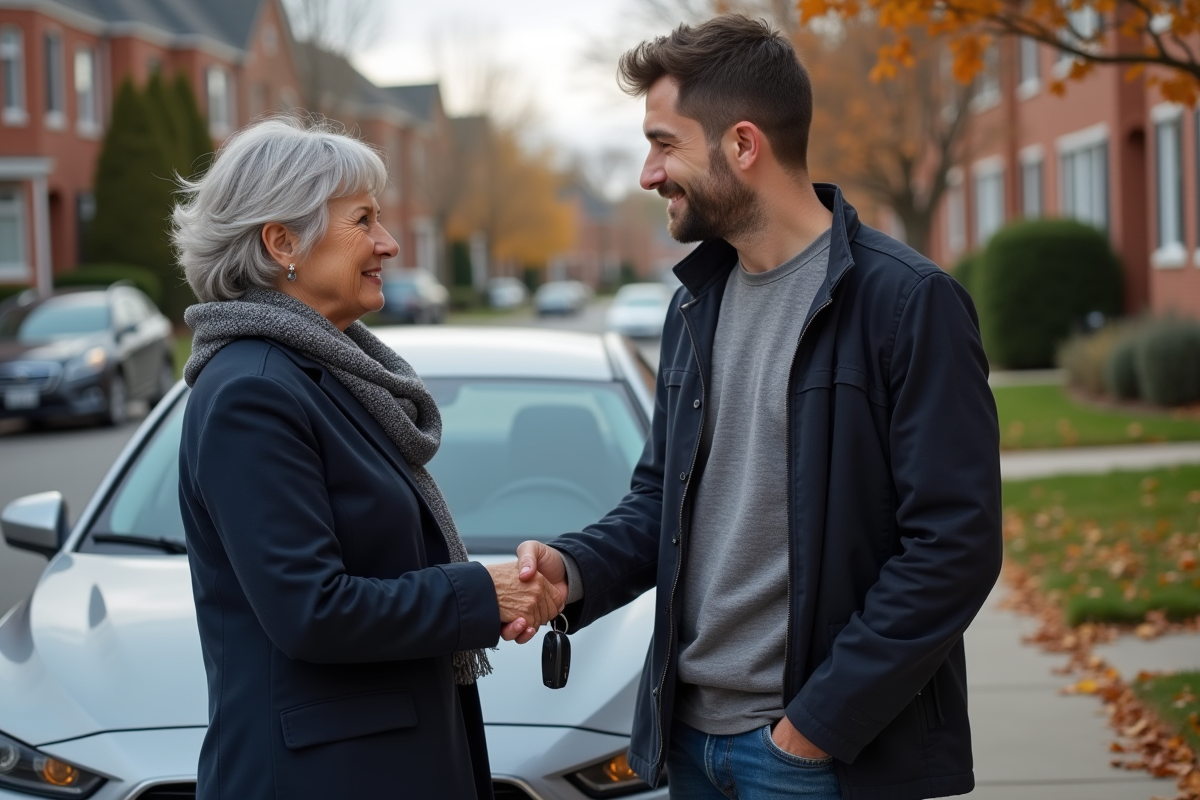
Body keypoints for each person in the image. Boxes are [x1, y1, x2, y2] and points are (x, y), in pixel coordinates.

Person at [515, 15, 1002, 800]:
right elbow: (659, 503)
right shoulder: (695, 308)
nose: (648, 174)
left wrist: (810, 733)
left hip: (822, 756)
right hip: (691, 744)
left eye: (664, 144)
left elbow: (954, 549)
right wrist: (570, 571)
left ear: (743, 145)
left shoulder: (909, 305)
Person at [173, 117, 561, 800]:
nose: (388, 242)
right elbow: (311, 609)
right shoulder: (253, 392)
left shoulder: (323, 374)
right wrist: (482, 592)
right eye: (363, 220)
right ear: (281, 241)